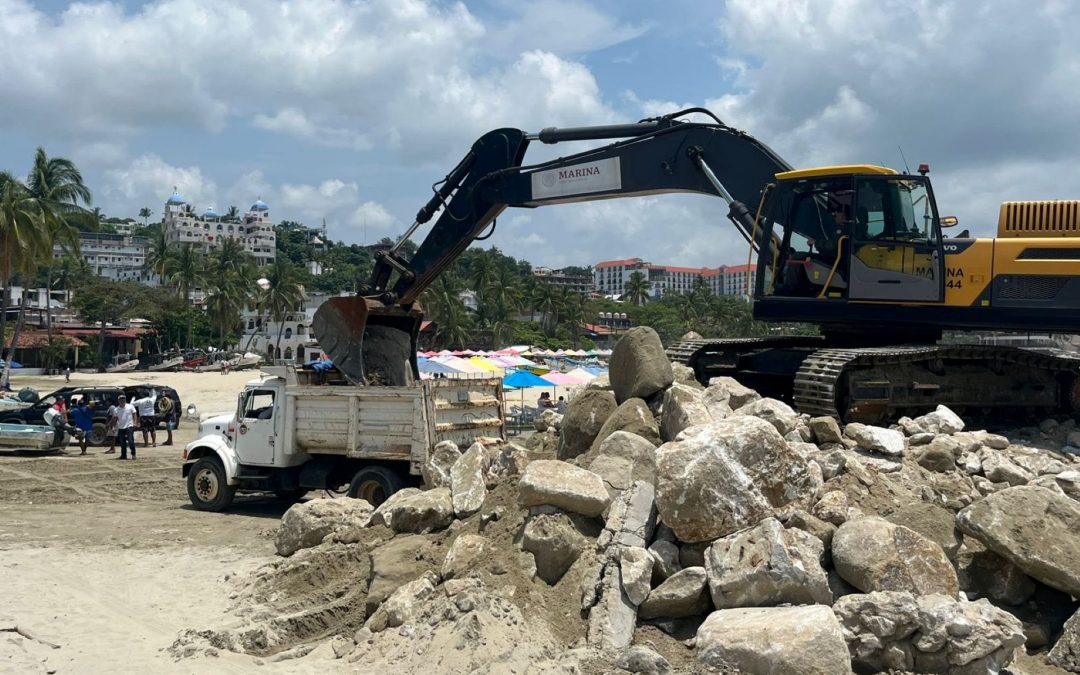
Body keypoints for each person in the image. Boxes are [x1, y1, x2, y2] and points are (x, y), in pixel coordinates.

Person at [114, 394, 138, 460]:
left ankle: (133, 454)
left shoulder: (130, 406)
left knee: (130, 441)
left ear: (125, 399)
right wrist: (113, 427)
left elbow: (134, 414)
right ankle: (123, 455)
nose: (122, 400)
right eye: (121, 399)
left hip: (129, 426)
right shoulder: (116, 409)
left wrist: (135, 422)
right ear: (118, 400)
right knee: (122, 442)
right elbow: (115, 419)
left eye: (123, 399)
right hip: (121, 427)